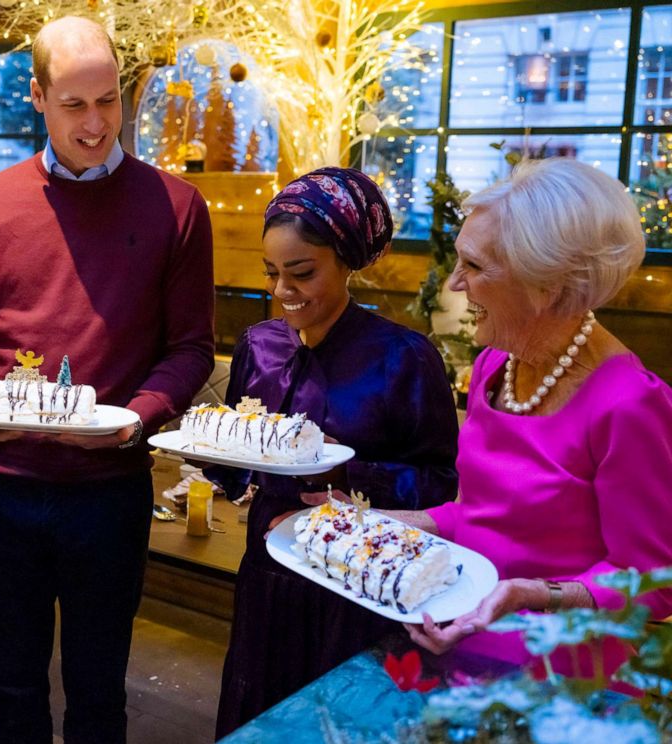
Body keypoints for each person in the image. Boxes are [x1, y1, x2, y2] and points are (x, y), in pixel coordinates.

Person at [0, 16, 214, 744]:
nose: (96, 124)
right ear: (36, 95)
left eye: (108, 102)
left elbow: (191, 348)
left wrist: (140, 415)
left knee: (99, 694)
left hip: (109, 490)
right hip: (2, 483)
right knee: (15, 689)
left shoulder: (177, 207)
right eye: (74, 104)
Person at [392, 158, 672, 676]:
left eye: (474, 267)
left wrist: (534, 593)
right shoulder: (494, 366)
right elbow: (480, 518)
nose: (455, 284)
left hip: (560, 677)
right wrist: (391, 524)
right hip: (457, 643)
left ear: (546, 286)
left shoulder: (628, 403)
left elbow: (651, 581)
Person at [211, 167, 459, 737]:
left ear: (347, 262)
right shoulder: (258, 346)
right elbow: (235, 455)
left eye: (301, 274)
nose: (283, 293)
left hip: (356, 586)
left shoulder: (403, 357)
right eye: (272, 273)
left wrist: (345, 472)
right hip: (269, 574)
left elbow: (439, 480)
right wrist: (219, 456)